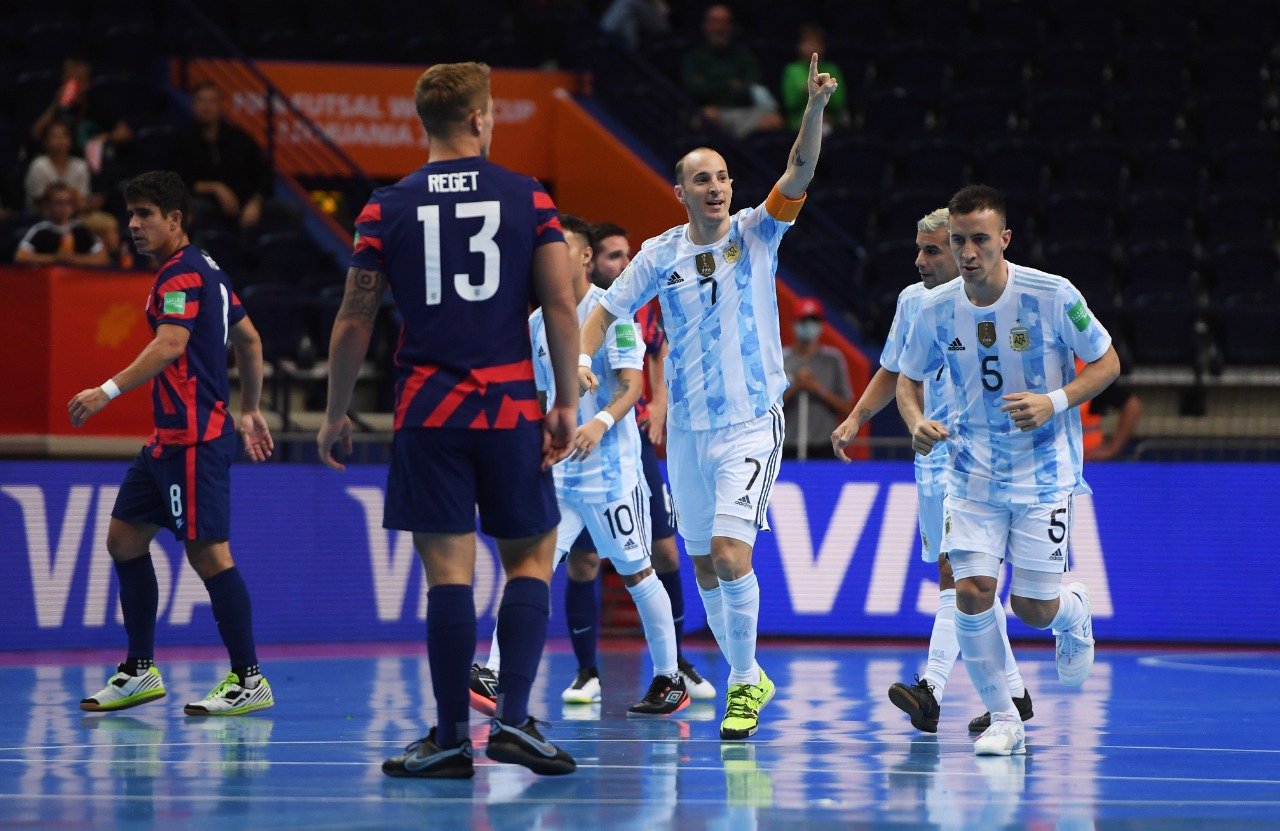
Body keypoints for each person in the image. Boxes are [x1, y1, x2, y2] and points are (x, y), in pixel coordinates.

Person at [318, 62, 580, 779]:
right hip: (509, 409)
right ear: (477, 119)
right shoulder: (528, 196)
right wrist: (565, 403)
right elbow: (560, 304)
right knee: (530, 559)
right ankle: (515, 720)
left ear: (422, 122)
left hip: (428, 410)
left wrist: (336, 412)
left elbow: (354, 318)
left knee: (448, 578)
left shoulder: (385, 208)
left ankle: (449, 738)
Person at [580, 54, 839, 740]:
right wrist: (580, 355)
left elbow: (800, 171)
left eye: (723, 176)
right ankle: (747, 673)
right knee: (701, 566)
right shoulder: (660, 254)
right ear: (681, 192)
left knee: (729, 554)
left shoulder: (758, 231)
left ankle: (743, 681)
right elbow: (604, 309)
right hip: (688, 433)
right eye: (703, 179)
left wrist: (813, 111)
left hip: (750, 422)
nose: (718, 187)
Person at [895, 184, 1120, 756]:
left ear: (1005, 239)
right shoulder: (934, 308)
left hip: (1043, 474)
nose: (968, 252)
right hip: (970, 474)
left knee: (1031, 609)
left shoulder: (1051, 294)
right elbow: (907, 378)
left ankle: (1073, 611)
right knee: (970, 592)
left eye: (979, 239)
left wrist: (1055, 401)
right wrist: (916, 420)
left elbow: (1107, 361)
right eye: (958, 241)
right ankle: (1004, 718)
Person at [472, 220, 717, 709]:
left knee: (639, 573)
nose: (548, 257)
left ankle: (669, 677)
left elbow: (632, 387)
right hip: (561, 475)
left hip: (612, 475)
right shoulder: (537, 323)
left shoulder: (614, 312)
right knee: (531, 568)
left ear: (585, 257)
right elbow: (541, 396)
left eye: (560, 247)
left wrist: (600, 423)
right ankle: (494, 671)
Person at [68, 170, 276, 718]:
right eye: (131, 214)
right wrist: (251, 408)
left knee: (209, 554)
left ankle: (249, 678)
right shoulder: (208, 268)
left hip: (194, 439)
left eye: (145, 215)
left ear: (175, 219)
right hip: (166, 441)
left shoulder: (182, 274)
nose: (133, 225)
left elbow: (169, 345)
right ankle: (140, 670)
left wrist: (106, 391)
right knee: (123, 539)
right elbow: (250, 338)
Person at [831, 207, 1033, 735]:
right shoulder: (912, 302)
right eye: (919, 250)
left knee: (959, 576)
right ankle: (1013, 691)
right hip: (930, 457)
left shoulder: (998, 301)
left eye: (932, 250)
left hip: (977, 461)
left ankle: (931, 687)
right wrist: (855, 419)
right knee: (969, 584)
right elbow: (893, 370)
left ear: (964, 248)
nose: (920, 260)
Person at [172, 82, 272, 231]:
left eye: (212, 101)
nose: (206, 106)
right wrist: (215, 188)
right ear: (193, 105)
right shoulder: (182, 140)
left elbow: (264, 176)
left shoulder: (240, 138)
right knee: (191, 209)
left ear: (220, 106)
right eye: (201, 100)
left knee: (288, 211)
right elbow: (179, 180)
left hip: (245, 201)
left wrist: (256, 202)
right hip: (205, 202)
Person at [681, 4, 785, 139]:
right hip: (714, 111)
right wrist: (730, 84)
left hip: (743, 112)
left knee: (775, 120)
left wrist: (710, 85)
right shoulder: (693, 58)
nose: (720, 28)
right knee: (708, 116)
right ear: (706, 26)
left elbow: (751, 87)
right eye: (715, 22)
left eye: (725, 22)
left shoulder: (745, 56)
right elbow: (694, 89)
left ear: (731, 26)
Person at [781, 296, 853, 460]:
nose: (808, 326)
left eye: (812, 321)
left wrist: (817, 389)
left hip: (824, 447)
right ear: (793, 324)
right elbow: (768, 410)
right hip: (787, 446)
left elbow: (847, 408)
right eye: (803, 321)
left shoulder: (833, 360)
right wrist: (796, 387)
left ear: (821, 325)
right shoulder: (781, 360)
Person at [13, 182, 110, 267]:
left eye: (68, 202)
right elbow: (20, 256)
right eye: (58, 202)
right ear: (48, 205)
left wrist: (74, 259)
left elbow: (103, 258)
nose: (64, 207)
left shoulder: (81, 229)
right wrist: (54, 258)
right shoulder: (40, 230)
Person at [780, 25, 849, 133]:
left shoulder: (832, 68)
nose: (812, 48)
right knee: (812, 119)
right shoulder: (792, 69)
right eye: (808, 43)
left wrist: (824, 93)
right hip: (799, 119)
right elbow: (790, 103)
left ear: (823, 46)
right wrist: (810, 91)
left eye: (816, 43)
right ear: (800, 46)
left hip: (831, 119)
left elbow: (839, 103)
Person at [24, 120, 93, 211]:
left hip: (74, 213)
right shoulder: (39, 165)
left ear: (71, 140)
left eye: (64, 135)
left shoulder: (81, 166)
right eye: (54, 136)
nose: (60, 139)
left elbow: (82, 201)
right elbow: (38, 201)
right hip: (42, 214)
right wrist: (66, 195)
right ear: (46, 142)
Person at [1081, 363, 1143, 461]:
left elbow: (1133, 405)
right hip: (1059, 455)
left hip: (1088, 458)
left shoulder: (1088, 371)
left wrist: (1112, 449)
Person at [601, 0, 670, 52]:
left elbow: (665, 11)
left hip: (664, 23)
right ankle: (629, 56)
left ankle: (602, 36)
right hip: (638, 15)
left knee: (627, 2)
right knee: (628, 20)